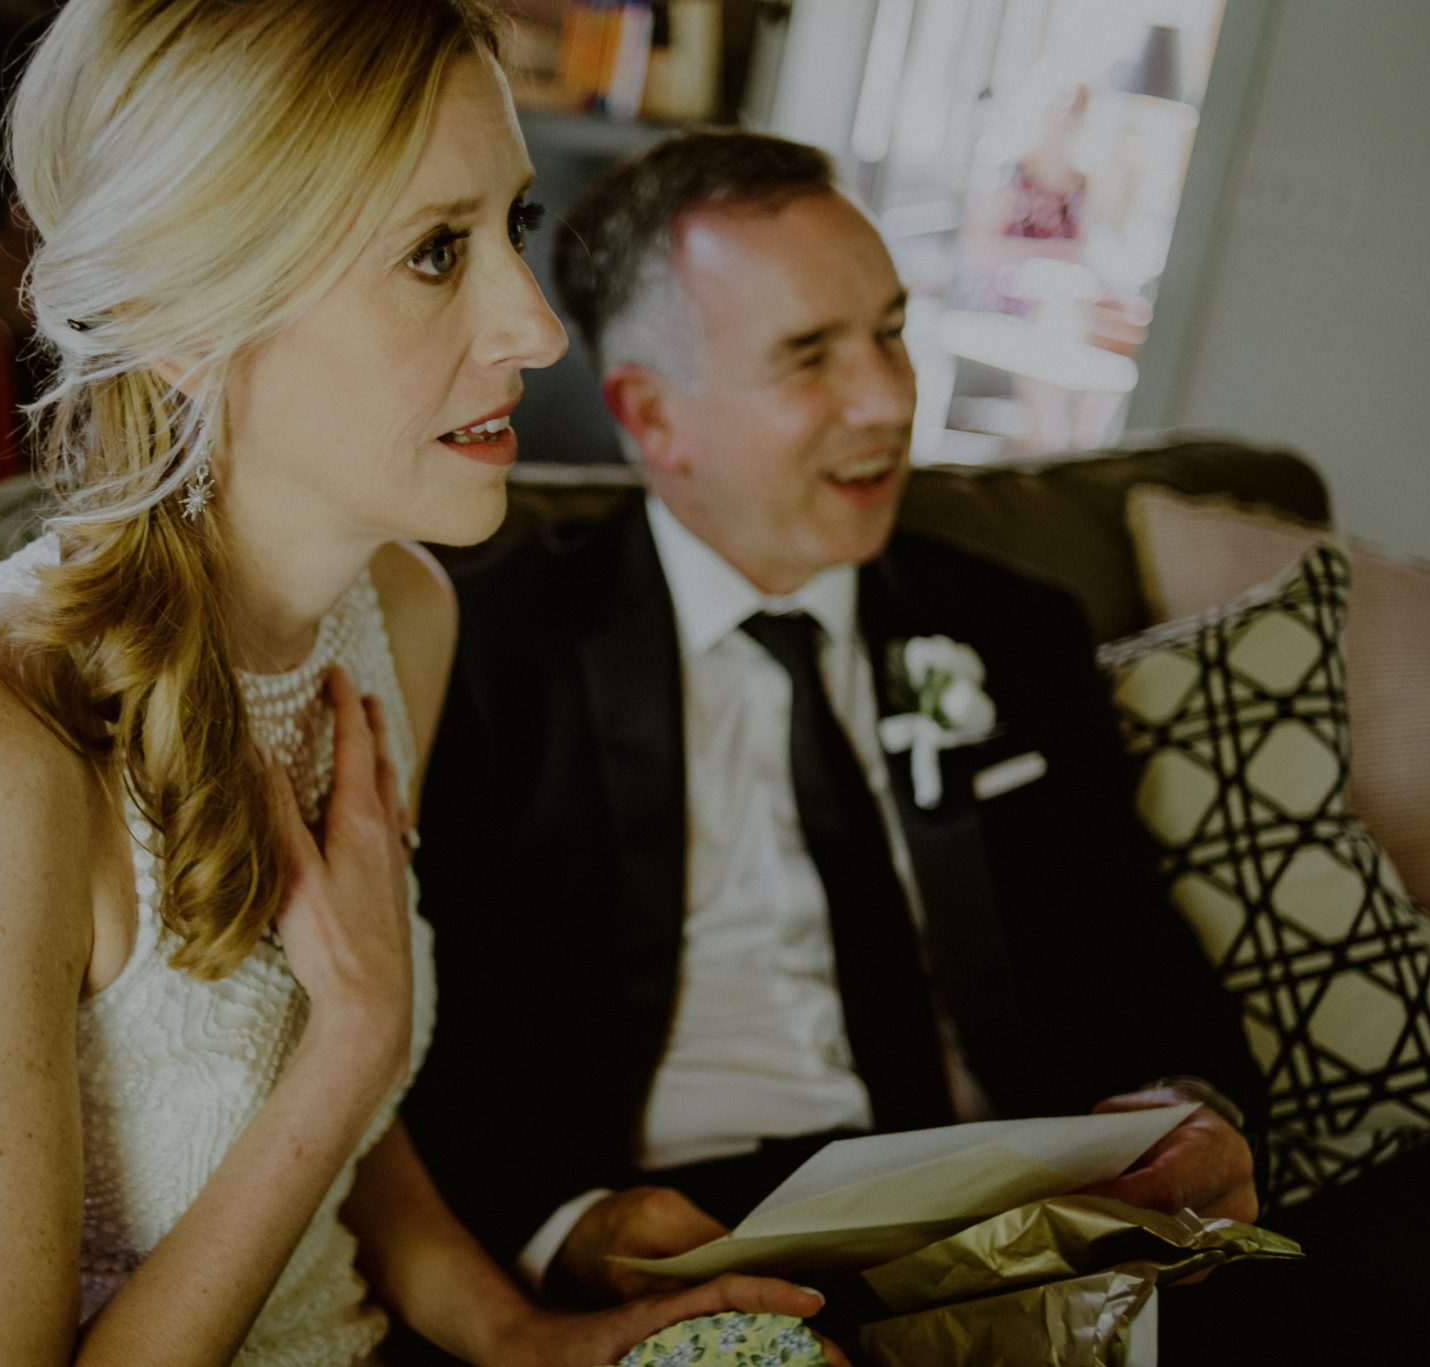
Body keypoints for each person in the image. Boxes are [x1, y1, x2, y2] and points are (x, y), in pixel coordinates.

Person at [0, 7, 832, 1365]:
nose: (535, 329)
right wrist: (352, 1038)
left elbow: (354, 1158)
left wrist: (517, 1328)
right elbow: (332, 1066)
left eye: (511, 230)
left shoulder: (399, 612)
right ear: (188, 317)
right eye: (433, 251)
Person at [404, 129, 1266, 1310]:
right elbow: (432, 1040)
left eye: (891, 332)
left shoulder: (1011, 628)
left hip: (1007, 1213)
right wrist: (566, 1222)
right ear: (654, 419)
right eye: (809, 355)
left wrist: (1198, 1108)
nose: (888, 397)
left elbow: (1126, 934)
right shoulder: (485, 652)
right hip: (690, 1225)